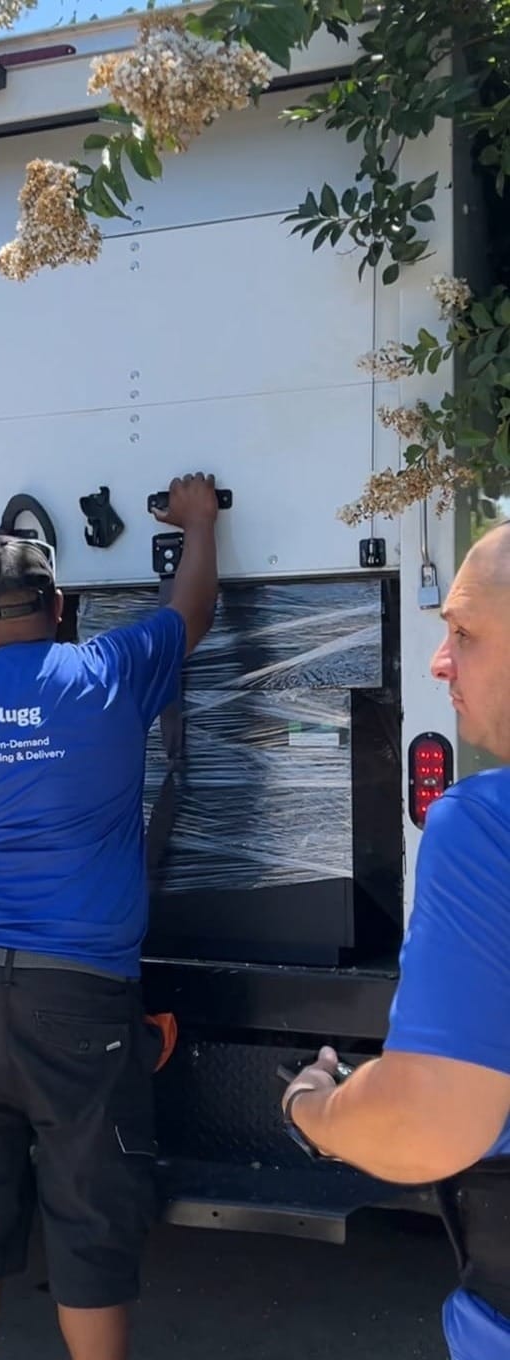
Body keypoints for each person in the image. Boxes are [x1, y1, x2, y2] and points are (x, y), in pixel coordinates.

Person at [0, 473, 220, 1360]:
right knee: (90, 1216)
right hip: (81, 997)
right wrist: (200, 523)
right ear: (59, 605)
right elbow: (191, 612)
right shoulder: (108, 672)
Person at [281, 521, 510, 1360]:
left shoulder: (485, 830)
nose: (439, 660)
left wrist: (314, 1106)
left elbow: (423, 1123)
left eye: (465, 633)